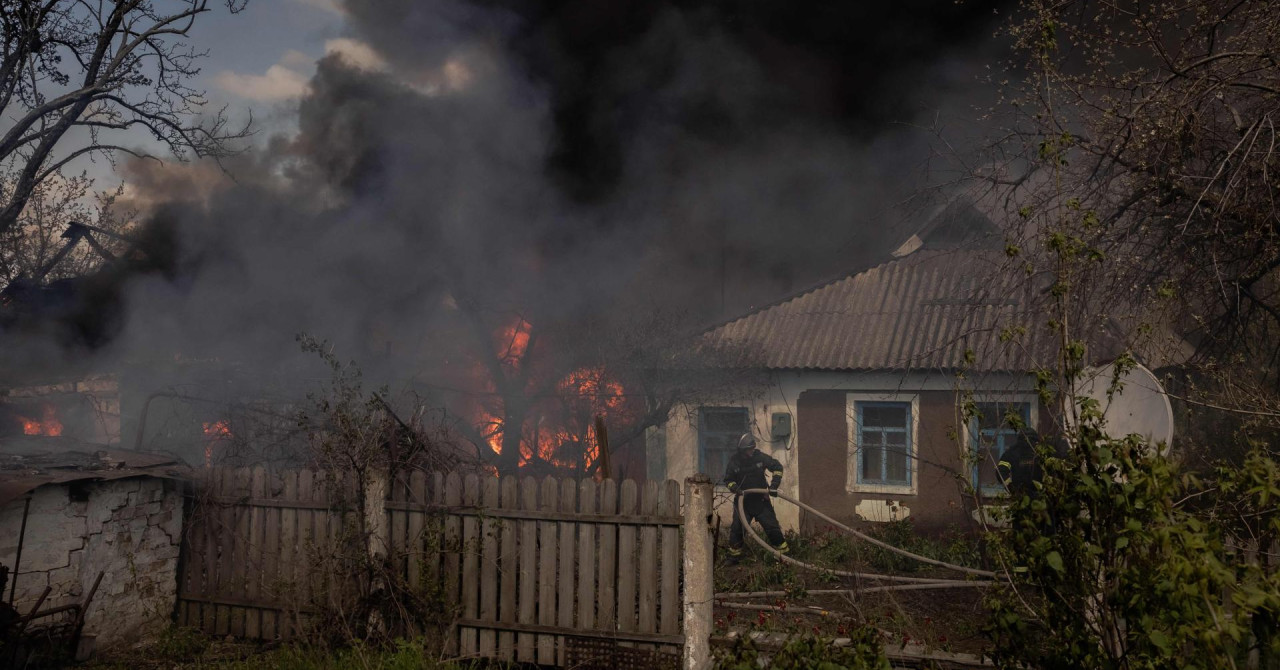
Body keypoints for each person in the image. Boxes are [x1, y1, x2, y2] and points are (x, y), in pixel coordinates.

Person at [723, 432, 788, 563]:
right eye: (750, 449)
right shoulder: (734, 462)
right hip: (743, 503)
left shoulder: (760, 457)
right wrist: (734, 487)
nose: (753, 450)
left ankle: (783, 555)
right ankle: (734, 556)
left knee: (772, 528)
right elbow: (728, 480)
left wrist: (774, 485)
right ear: (742, 450)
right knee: (737, 530)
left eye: (753, 447)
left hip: (761, 501)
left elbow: (777, 467)